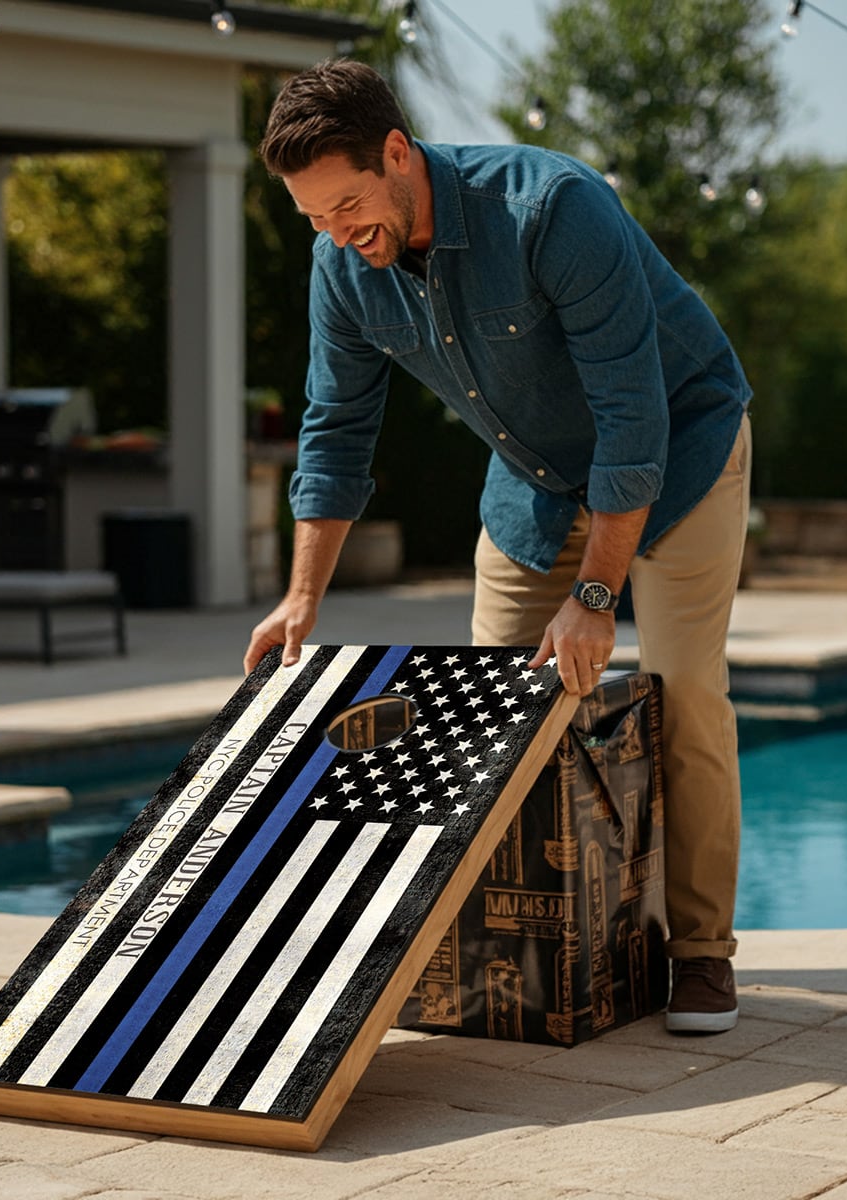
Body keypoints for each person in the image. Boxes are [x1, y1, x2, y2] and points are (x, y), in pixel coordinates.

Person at [244, 59, 751, 1034]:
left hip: (681, 446)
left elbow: (632, 417)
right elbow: (336, 429)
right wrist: (301, 597)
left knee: (684, 691)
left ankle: (700, 954)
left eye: (347, 203)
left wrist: (598, 598)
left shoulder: (552, 209)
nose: (339, 232)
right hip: (533, 473)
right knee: (490, 708)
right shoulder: (342, 264)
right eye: (314, 217)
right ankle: (506, 944)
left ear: (398, 153)